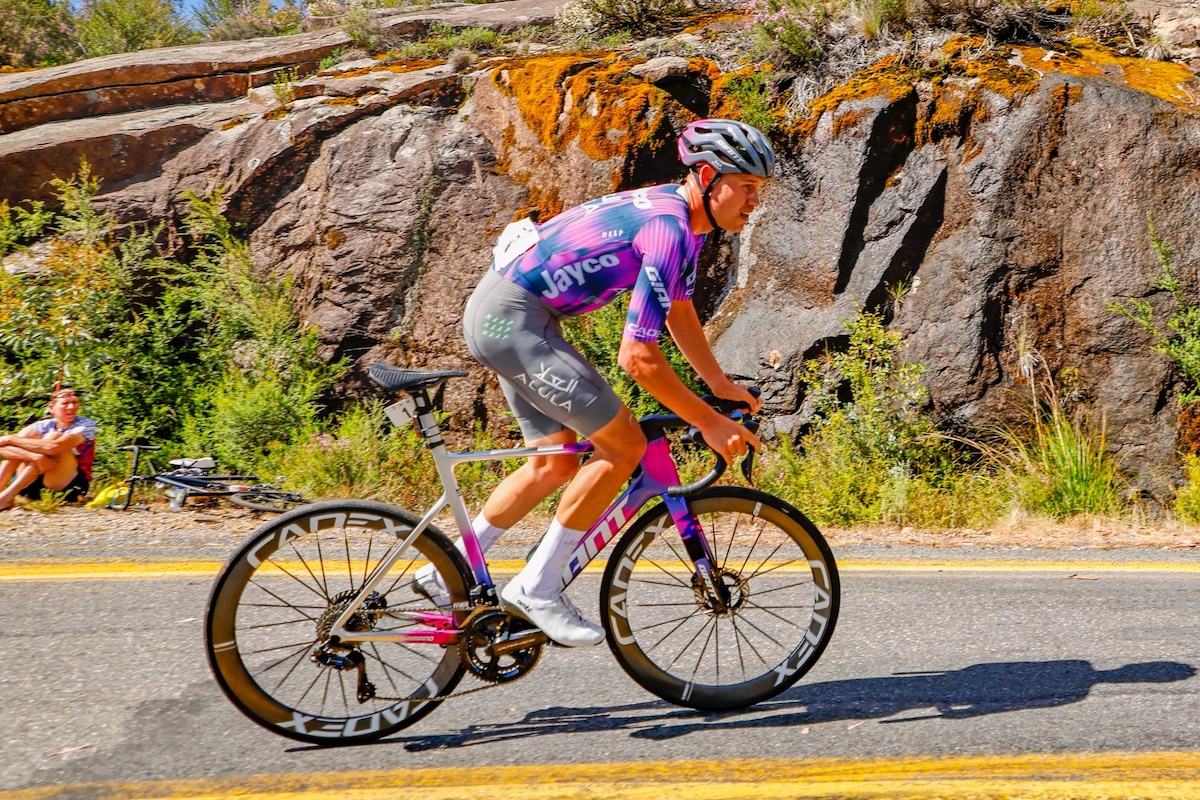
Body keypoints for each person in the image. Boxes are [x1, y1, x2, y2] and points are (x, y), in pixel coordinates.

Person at [419, 119, 772, 646]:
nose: (752, 202)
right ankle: (537, 589)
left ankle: (442, 571)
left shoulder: (679, 221)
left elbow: (677, 310)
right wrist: (710, 422)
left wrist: (717, 384)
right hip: (513, 321)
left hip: (506, 314)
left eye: (758, 191)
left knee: (554, 461)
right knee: (624, 444)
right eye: (746, 187)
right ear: (706, 175)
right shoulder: (670, 231)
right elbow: (638, 357)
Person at [0, 387, 96, 510]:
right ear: (51, 408)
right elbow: (2, 447)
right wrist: (35, 457)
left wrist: (10, 439)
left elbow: (53, 448)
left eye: (74, 402)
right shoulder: (42, 426)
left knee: (52, 437)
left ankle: (7, 497)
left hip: (69, 487)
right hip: (31, 484)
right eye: (65, 403)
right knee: (26, 437)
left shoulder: (85, 425)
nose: (71, 407)